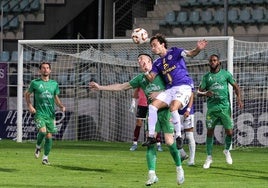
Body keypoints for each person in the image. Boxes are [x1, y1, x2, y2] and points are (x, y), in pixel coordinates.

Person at [89, 53, 185, 186]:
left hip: (165, 110)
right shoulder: (140, 78)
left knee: (169, 142)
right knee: (150, 142)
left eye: (142, 59)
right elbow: (121, 86)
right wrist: (100, 87)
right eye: (138, 60)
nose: (140, 61)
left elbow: (174, 87)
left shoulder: (161, 74)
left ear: (150, 61)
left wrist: (160, 94)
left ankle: (179, 168)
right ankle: (152, 174)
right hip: (152, 113)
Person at [142, 33, 208, 150]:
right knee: (152, 107)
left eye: (154, 45)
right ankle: (151, 136)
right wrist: (146, 71)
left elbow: (190, 53)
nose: (153, 48)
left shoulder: (175, 52)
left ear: (162, 44)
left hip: (183, 86)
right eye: (151, 46)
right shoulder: (157, 63)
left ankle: (178, 137)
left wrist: (198, 48)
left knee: (173, 107)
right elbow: (151, 78)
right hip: (170, 89)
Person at [197, 54, 243, 169]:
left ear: (219, 63)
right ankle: (209, 157)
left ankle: (227, 151)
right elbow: (198, 92)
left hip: (224, 108)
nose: (212, 62)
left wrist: (239, 99)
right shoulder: (206, 77)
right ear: (209, 63)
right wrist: (205, 93)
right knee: (209, 132)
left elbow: (236, 87)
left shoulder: (226, 74)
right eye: (211, 61)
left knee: (229, 132)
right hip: (212, 109)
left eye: (215, 60)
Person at [24, 62, 66, 165]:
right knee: (42, 132)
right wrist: (30, 106)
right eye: (43, 68)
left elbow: (56, 98)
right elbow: (27, 94)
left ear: (50, 70)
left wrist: (61, 106)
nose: (45, 70)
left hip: (50, 114)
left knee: (49, 137)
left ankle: (45, 158)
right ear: (40, 70)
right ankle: (38, 146)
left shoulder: (54, 84)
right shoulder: (35, 83)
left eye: (47, 68)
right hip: (39, 113)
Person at [129, 88, 163, 152]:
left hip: (152, 104)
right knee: (138, 123)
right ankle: (134, 144)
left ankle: (158, 144)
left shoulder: (154, 82)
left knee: (154, 124)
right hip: (141, 105)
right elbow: (136, 91)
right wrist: (133, 102)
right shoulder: (141, 80)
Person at [179, 91, 196, 166]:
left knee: (189, 136)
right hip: (175, 111)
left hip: (188, 112)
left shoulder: (188, 80)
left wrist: (188, 110)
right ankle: (182, 154)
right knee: (172, 135)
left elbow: (192, 95)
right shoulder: (170, 81)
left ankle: (191, 160)